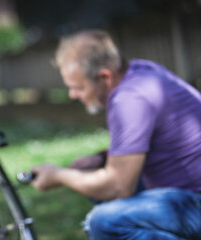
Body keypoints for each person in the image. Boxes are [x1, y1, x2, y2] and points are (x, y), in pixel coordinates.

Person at [29, 30, 201, 239]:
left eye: (78, 87)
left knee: (105, 221)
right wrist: (100, 159)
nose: (72, 95)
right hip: (187, 192)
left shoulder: (130, 99)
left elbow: (118, 188)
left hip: (195, 202)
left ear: (104, 77)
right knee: (97, 187)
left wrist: (58, 175)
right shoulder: (141, 71)